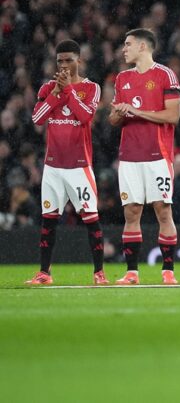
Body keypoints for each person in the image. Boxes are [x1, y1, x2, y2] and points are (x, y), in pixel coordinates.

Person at [26, 40, 106, 285]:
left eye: (69, 60)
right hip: (53, 167)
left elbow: (85, 116)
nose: (64, 65)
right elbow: (37, 119)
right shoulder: (48, 88)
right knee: (48, 220)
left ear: (79, 61)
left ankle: (99, 273)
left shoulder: (92, 88)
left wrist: (68, 90)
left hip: (79, 166)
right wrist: (55, 93)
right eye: (60, 60)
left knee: (91, 219)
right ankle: (44, 273)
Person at [109, 29, 180, 285]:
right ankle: (132, 273)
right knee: (131, 212)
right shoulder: (122, 78)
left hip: (157, 156)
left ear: (142, 46)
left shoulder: (164, 75)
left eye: (127, 44)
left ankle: (168, 271)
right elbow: (114, 120)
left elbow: (172, 116)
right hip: (129, 156)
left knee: (163, 211)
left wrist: (137, 112)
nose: (123, 49)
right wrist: (119, 113)